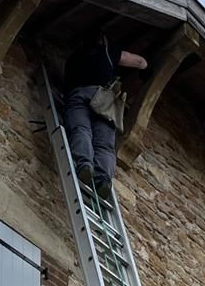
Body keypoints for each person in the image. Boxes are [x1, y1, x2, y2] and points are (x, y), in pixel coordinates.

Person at [63, 33, 148, 192]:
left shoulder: (73, 59)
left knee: (81, 129)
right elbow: (140, 62)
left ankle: (85, 165)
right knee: (104, 144)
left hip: (78, 95)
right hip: (104, 100)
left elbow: (66, 84)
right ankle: (103, 179)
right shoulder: (109, 52)